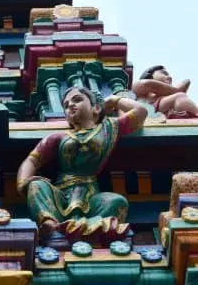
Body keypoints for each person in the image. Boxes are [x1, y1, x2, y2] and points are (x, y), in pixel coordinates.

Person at [17, 87, 148, 240]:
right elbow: (32, 160)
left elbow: (140, 112)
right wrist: (23, 183)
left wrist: (114, 100)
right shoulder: (59, 137)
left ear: (96, 108)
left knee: (117, 202)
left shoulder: (108, 128)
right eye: (66, 105)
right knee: (36, 185)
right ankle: (50, 223)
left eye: (77, 100)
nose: (70, 105)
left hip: (90, 195)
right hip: (61, 195)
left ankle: (86, 227)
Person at [133, 65, 198, 119]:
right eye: (164, 73)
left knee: (180, 97)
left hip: (169, 116)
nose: (170, 77)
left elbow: (186, 82)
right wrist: (176, 90)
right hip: (147, 114)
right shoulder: (139, 87)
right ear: (150, 76)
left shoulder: (169, 96)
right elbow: (145, 84)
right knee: (180, 96)